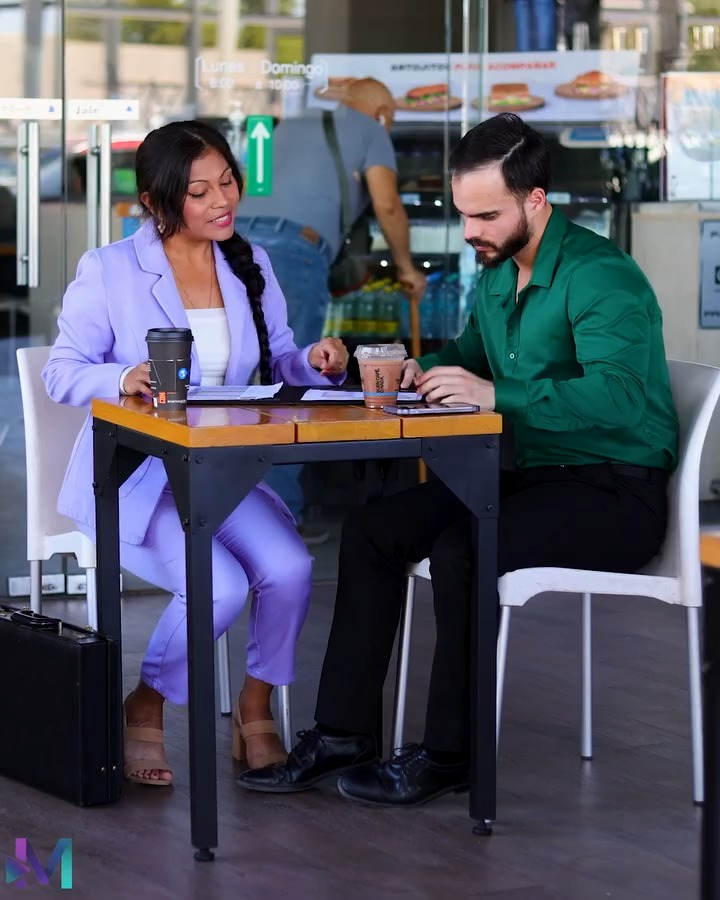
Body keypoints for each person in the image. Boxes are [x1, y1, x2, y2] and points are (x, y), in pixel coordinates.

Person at [236, 113, 679, 808]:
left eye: (485, 215)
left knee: (464, 548)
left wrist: (496, 393)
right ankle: (344, 733)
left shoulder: (602, 278)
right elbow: (465, 362)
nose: (470, 230)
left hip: (614, 494)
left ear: (536, 201)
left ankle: (451, 755)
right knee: (374, 530)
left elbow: (620, 398)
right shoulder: (501, 275)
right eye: (462, 212)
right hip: (526, 476)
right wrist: (404, 369)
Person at [42, 120, 349, 786]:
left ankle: (255, 708)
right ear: (156, 202)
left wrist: (317, 363)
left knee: (291, 568)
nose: (222, 201)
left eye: (228, 183)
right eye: (200, 191)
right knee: (223, 586)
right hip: (139, 480)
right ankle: (145, 706)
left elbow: (279, 360)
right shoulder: (110, 270)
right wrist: (120, 378)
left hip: (220, 473)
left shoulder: (251, 261)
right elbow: (61, 371)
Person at [235, 78, 426, 544]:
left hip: (233, 248)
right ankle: (277, 520)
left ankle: (226, 506)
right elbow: (387, 204)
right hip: (294, 251)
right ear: (382, 110)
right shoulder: (370, 128)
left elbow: (241, 187)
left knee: (239, 378)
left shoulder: (284, 128)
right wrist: (407, 268)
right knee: (290, 384)